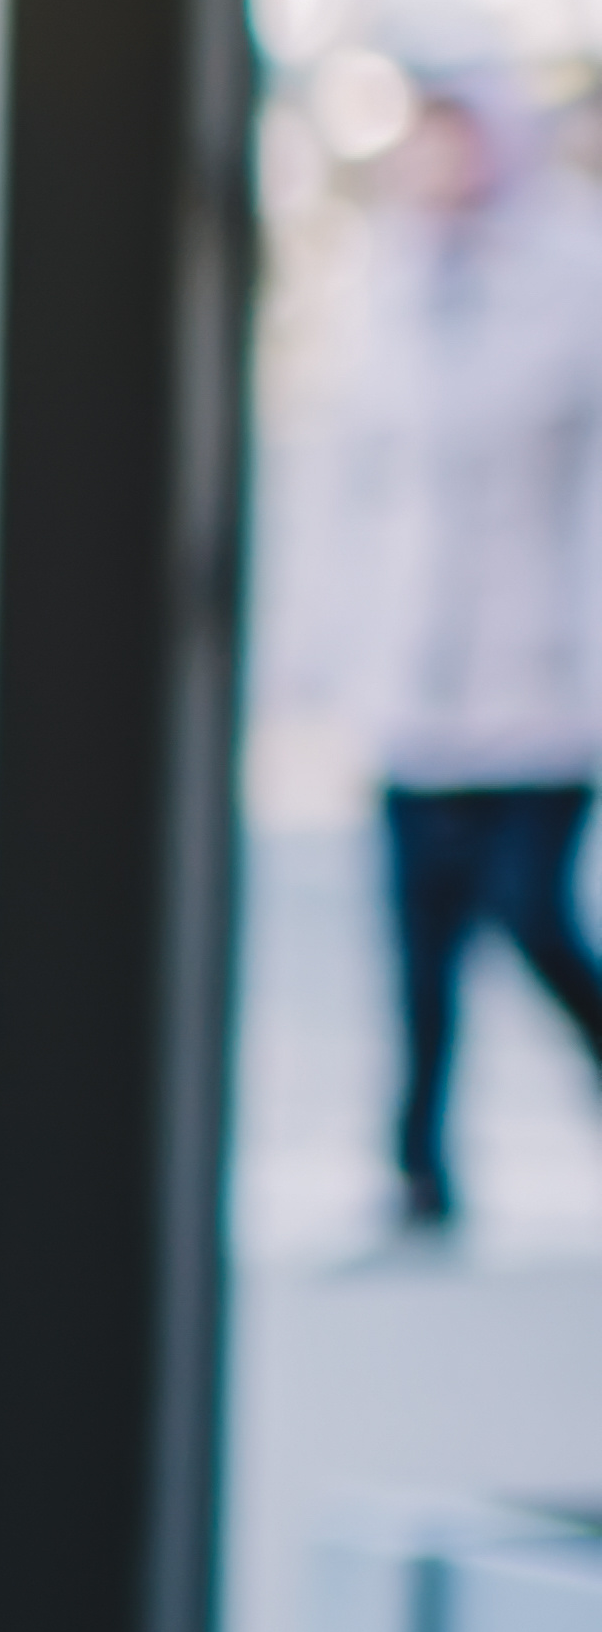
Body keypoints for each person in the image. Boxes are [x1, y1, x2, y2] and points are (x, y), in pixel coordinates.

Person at [316, 76, 602, 1233]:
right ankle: (416, 1167)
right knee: (415, 931)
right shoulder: (382, 282)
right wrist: (321, 646)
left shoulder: (572, 274)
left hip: (543, 663)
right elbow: (347, 481)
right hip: (411, 664)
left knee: (525, 904)